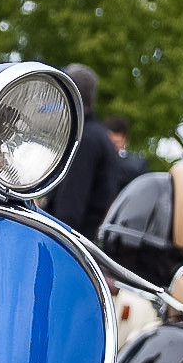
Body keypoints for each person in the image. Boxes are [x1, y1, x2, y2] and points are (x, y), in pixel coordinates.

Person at [46, 64, 119, 243]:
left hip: (69, 244)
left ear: (70, 93)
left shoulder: (85, 139)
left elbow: (69, 208)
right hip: (85, 241)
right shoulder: (98, 135)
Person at [103, 114, 148, 193]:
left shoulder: (137, 164)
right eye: (110, 142)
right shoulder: (96, 160)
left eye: (116, 142)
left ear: (125, 140)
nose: (112, 146)